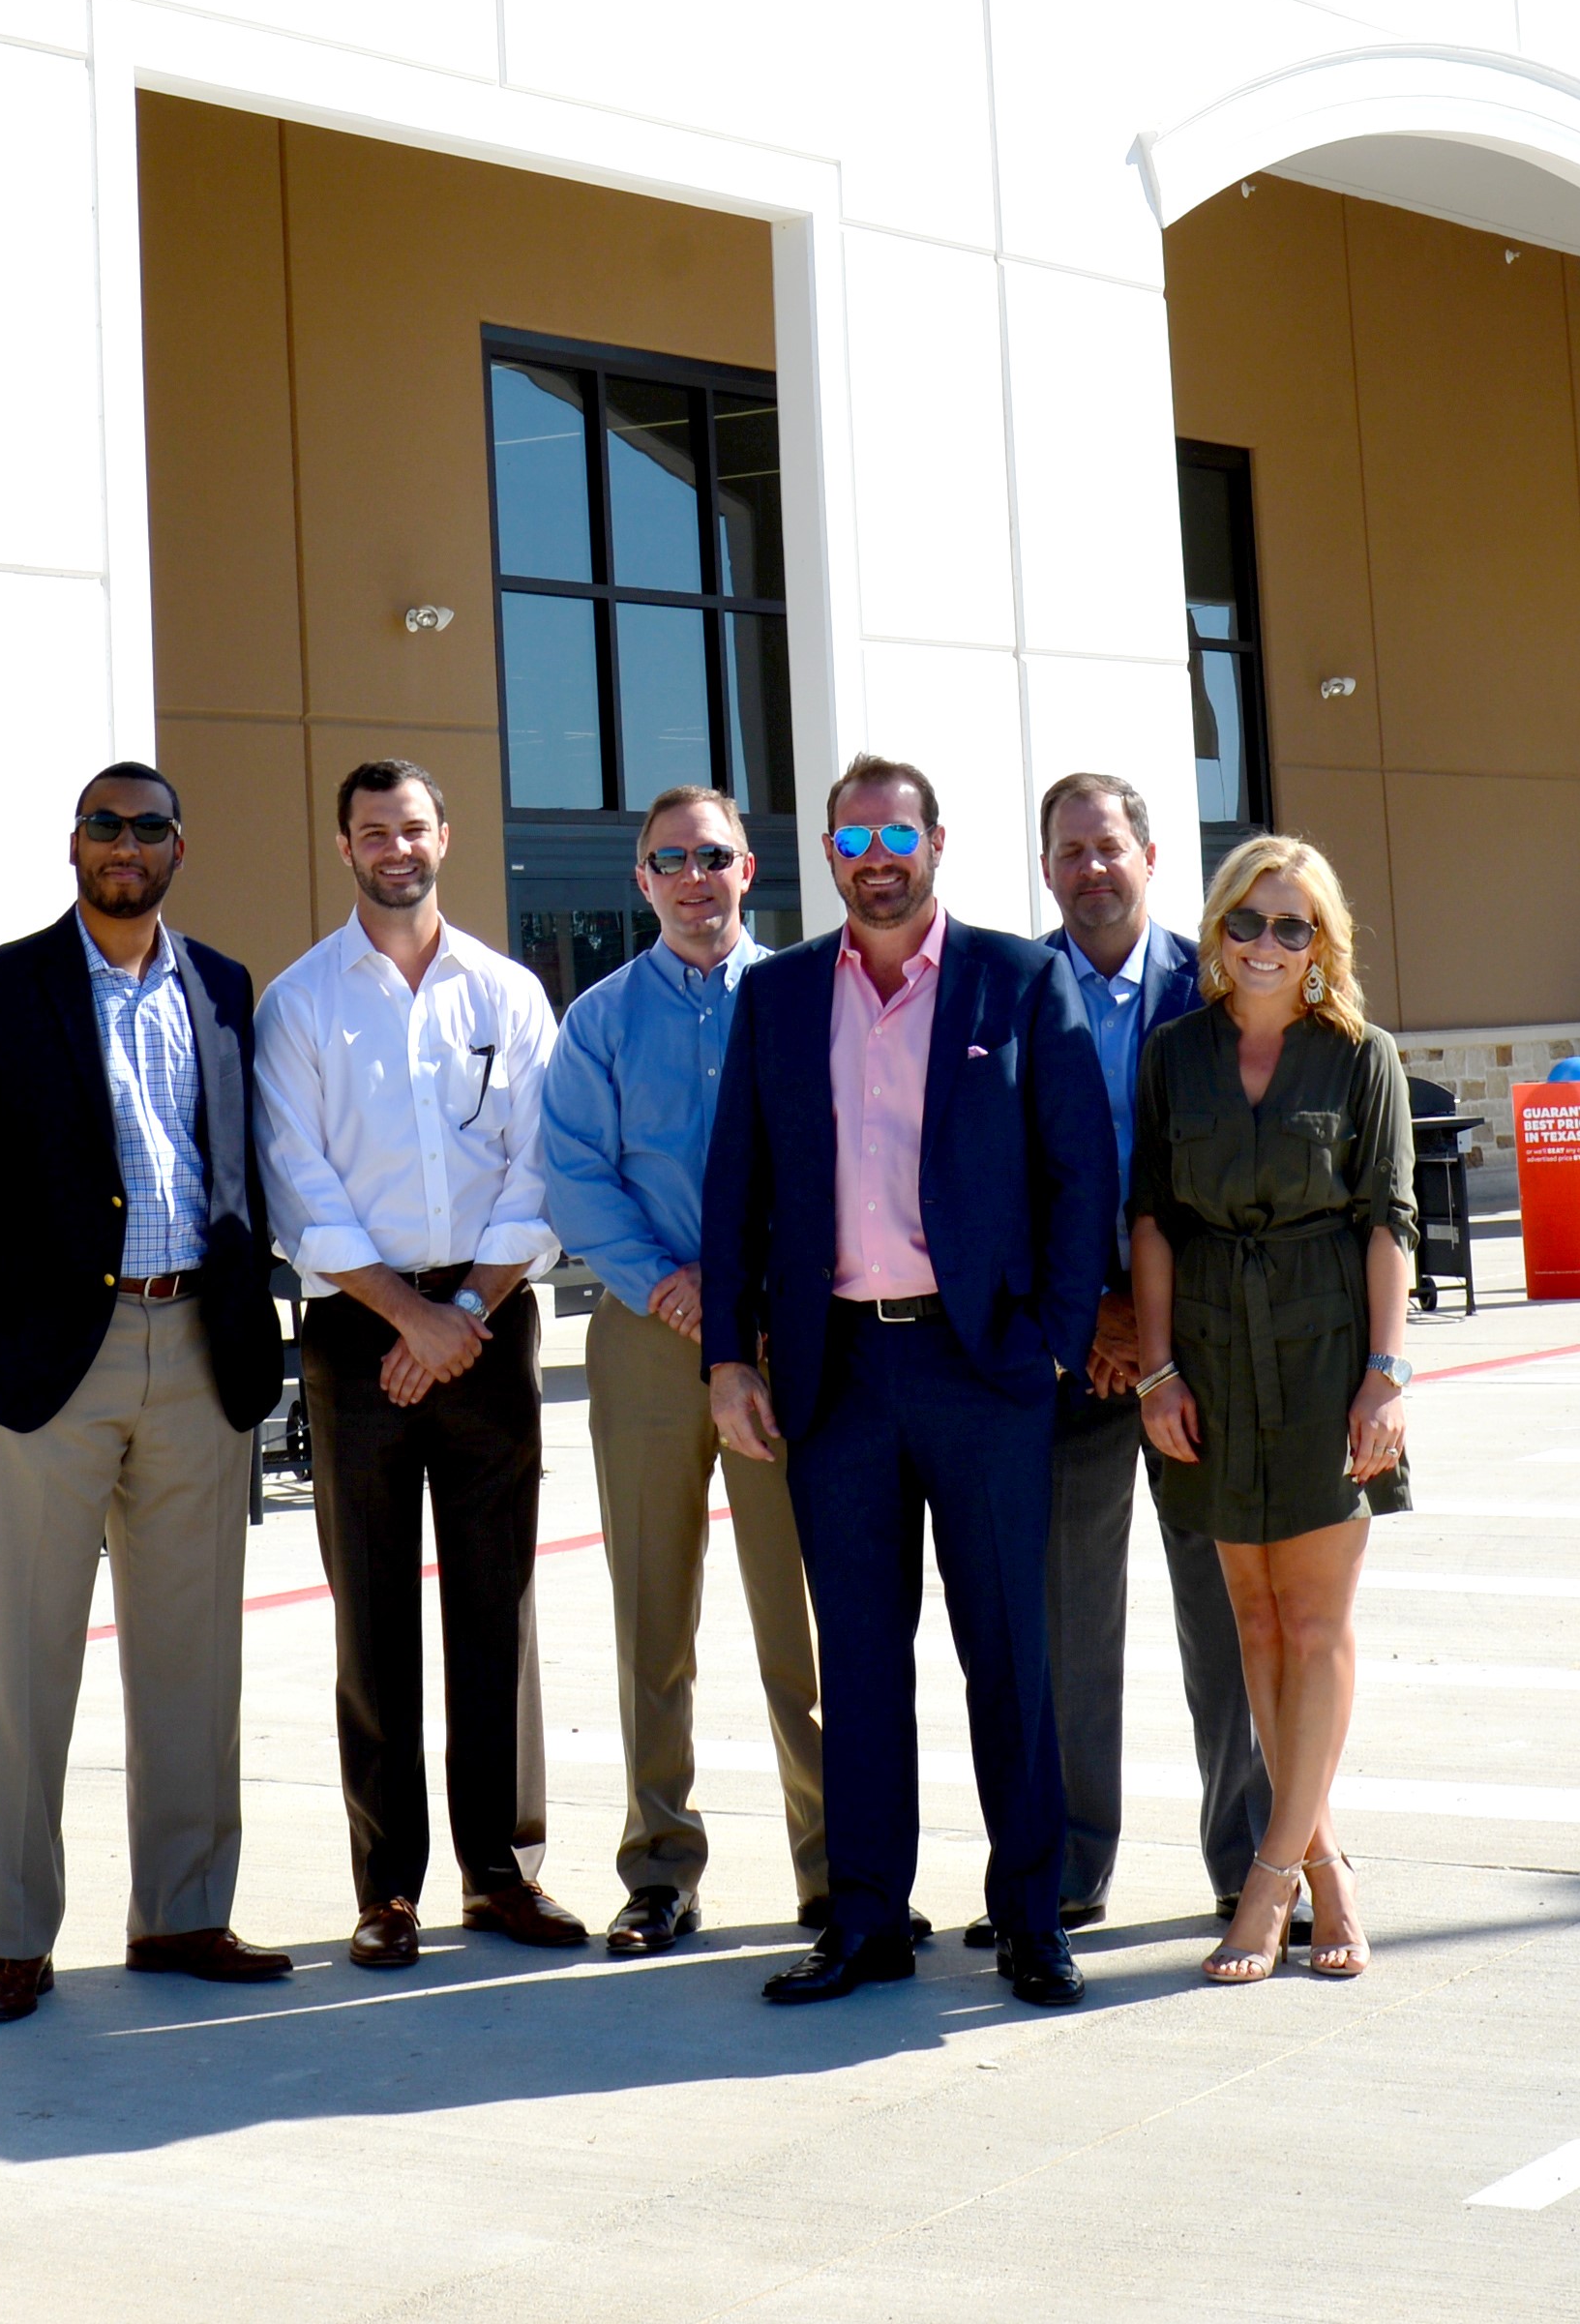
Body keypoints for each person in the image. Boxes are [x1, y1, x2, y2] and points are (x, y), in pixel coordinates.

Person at [704, 755, 1114, 2011]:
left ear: (936, 843)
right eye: (851, 836)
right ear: (826, 854)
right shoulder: (775, 996)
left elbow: (1078, 1173)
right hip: (837, 1374)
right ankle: (867, 1919)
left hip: (978, 1369)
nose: (874, 854)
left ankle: (1031, 1917)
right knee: (863, 1664)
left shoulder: (1018, 978)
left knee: (1010, 1655)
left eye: (896, 831)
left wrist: (1047, 1336)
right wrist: (729, 1355)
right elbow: (738, 1193)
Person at [0, 762, 298, 2025]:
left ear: (183, 846)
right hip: (46, 1369)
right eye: (103, 826)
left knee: (194, 1664)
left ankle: (183, 1914)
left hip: (198, 1352)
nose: (124, 845)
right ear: (73, 843)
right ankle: (19, 1937)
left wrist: (257, 1315)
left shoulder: (225, 988)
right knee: (32, 1665)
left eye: (148, 828)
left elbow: (241, 1165)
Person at [256, 760, 584, 1970]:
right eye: (371, 830)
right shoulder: (300, 1004)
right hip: (357, 1329)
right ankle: (385, 1887)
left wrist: (461, 1311)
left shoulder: (506, 991)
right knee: (374, 1614)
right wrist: (407, 1317)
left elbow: (538, 1167)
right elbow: (300, 1185)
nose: (396, 845)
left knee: (495, 1603)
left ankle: (500, 1873)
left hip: (487, 1318)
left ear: (444, 834)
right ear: (342, 846)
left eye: (413, 825)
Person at [535, 780, 826, 1954]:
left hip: (782, 1340)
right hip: (648, 1338)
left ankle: (835, 1864)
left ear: (747, 868)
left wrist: (746, 1295)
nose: (694, 876)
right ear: (642, 881)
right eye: (670, 859)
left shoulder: (806, 999)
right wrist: (671, 1283)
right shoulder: (598, 1019)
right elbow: (572, 1173)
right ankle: (659, 1865)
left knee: (797, 1618)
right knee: (652, 1613)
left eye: (713, 854)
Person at [1129, 834, 1416, 1983]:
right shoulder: (1171, 1054)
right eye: (1245, 921)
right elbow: (1149, 1216)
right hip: (1206, 1356)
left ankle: (1266, 1880)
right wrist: (1155, 1369)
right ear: (1215, 930)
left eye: (1290, 925)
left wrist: (1385, 1373)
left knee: (1313, 1627)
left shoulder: (1361, 1056)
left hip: (1321, 1354)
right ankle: (1328, 1868)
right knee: (1248, 1625)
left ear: (1321, 943)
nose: (1263, 944)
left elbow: (1388, 1218)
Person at [1032, 772, 1268, 1933]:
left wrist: (1161, 1327)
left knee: (1223, 1617)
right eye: (1068, 850)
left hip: (1204, 1361)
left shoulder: (1217, 986)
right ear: (1044, 867)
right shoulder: (1012, 991)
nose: (1090, 868)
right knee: (1070, 1623)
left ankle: (1246, 1856)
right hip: (1073, 1356)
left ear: (1151, 854)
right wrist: (1089, 1316)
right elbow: (991, 1179)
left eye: (1107, 846)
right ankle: (1073, 1867)